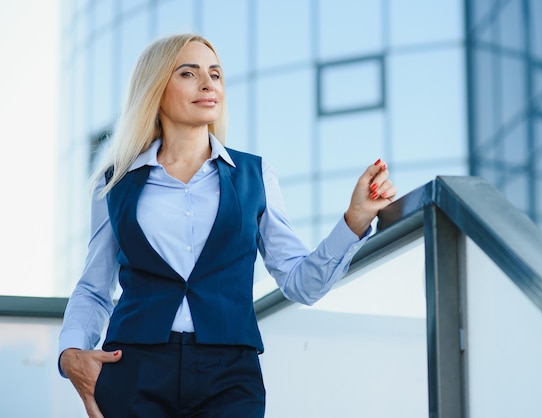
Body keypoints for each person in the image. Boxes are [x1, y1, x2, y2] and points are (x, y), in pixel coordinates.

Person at [58, 33, 396, 418]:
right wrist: (71, 352)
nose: (208, 84)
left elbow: (300, 283)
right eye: (188, 73)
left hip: (229, 375)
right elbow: (94, 285)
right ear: (156, 89)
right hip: (134, 368)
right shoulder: (115, 183)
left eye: (215, 74)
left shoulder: (254, 175)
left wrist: (354, 220)